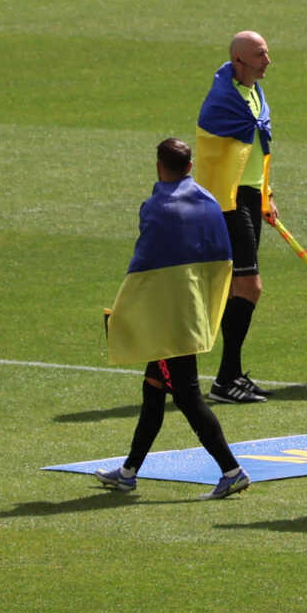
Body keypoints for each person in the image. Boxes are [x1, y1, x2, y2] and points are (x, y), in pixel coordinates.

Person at [94, 138, 251, 500]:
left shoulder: (155, 208)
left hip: (168, 319)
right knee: (153, 391)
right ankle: (129, 472)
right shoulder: (210, 203)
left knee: (187, 396)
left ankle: (232, 470)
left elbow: (143, 273)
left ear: (158, 166)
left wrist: (125, 313)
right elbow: (220, 260)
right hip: (191, 309)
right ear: (191, 166)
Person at [194, 29, 276, 404]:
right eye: (260, 55)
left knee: (239, 288)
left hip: (250, 196)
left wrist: (266, 194)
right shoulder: (222, 100)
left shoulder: (255, 94)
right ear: (239, 60)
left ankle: (230, 376)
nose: (267, 61)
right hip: (229, 202)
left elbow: (258, 148)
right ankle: (226, 378)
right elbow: (213, 153)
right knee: (250, 286)